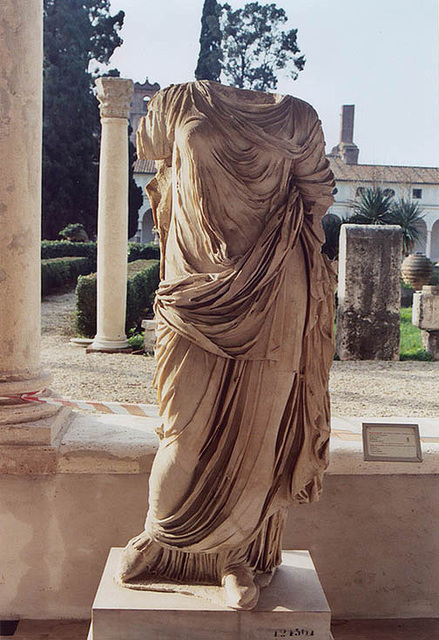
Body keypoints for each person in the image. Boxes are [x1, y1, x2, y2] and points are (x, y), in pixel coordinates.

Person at [117, 81, 335, 610]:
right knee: (182, 431)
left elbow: (318, 195)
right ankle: (161, 535)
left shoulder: (299, 118)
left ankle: (237, 556)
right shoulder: (177, 101)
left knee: (260, 436)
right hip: (193, 292)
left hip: (275, 293)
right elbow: (155, 166)